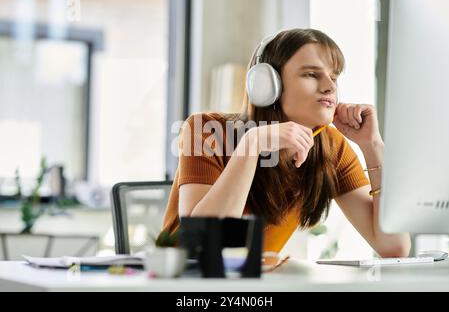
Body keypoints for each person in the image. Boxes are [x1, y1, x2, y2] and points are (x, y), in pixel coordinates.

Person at [162, 28, 410, 259]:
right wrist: (253, 143)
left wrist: (372, 145)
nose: (329, 87)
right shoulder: (206, 130)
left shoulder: (331, 147)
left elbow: (394, 246)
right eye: (311, 74)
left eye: (334, 77)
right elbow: (203, 245)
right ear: (267, 85)